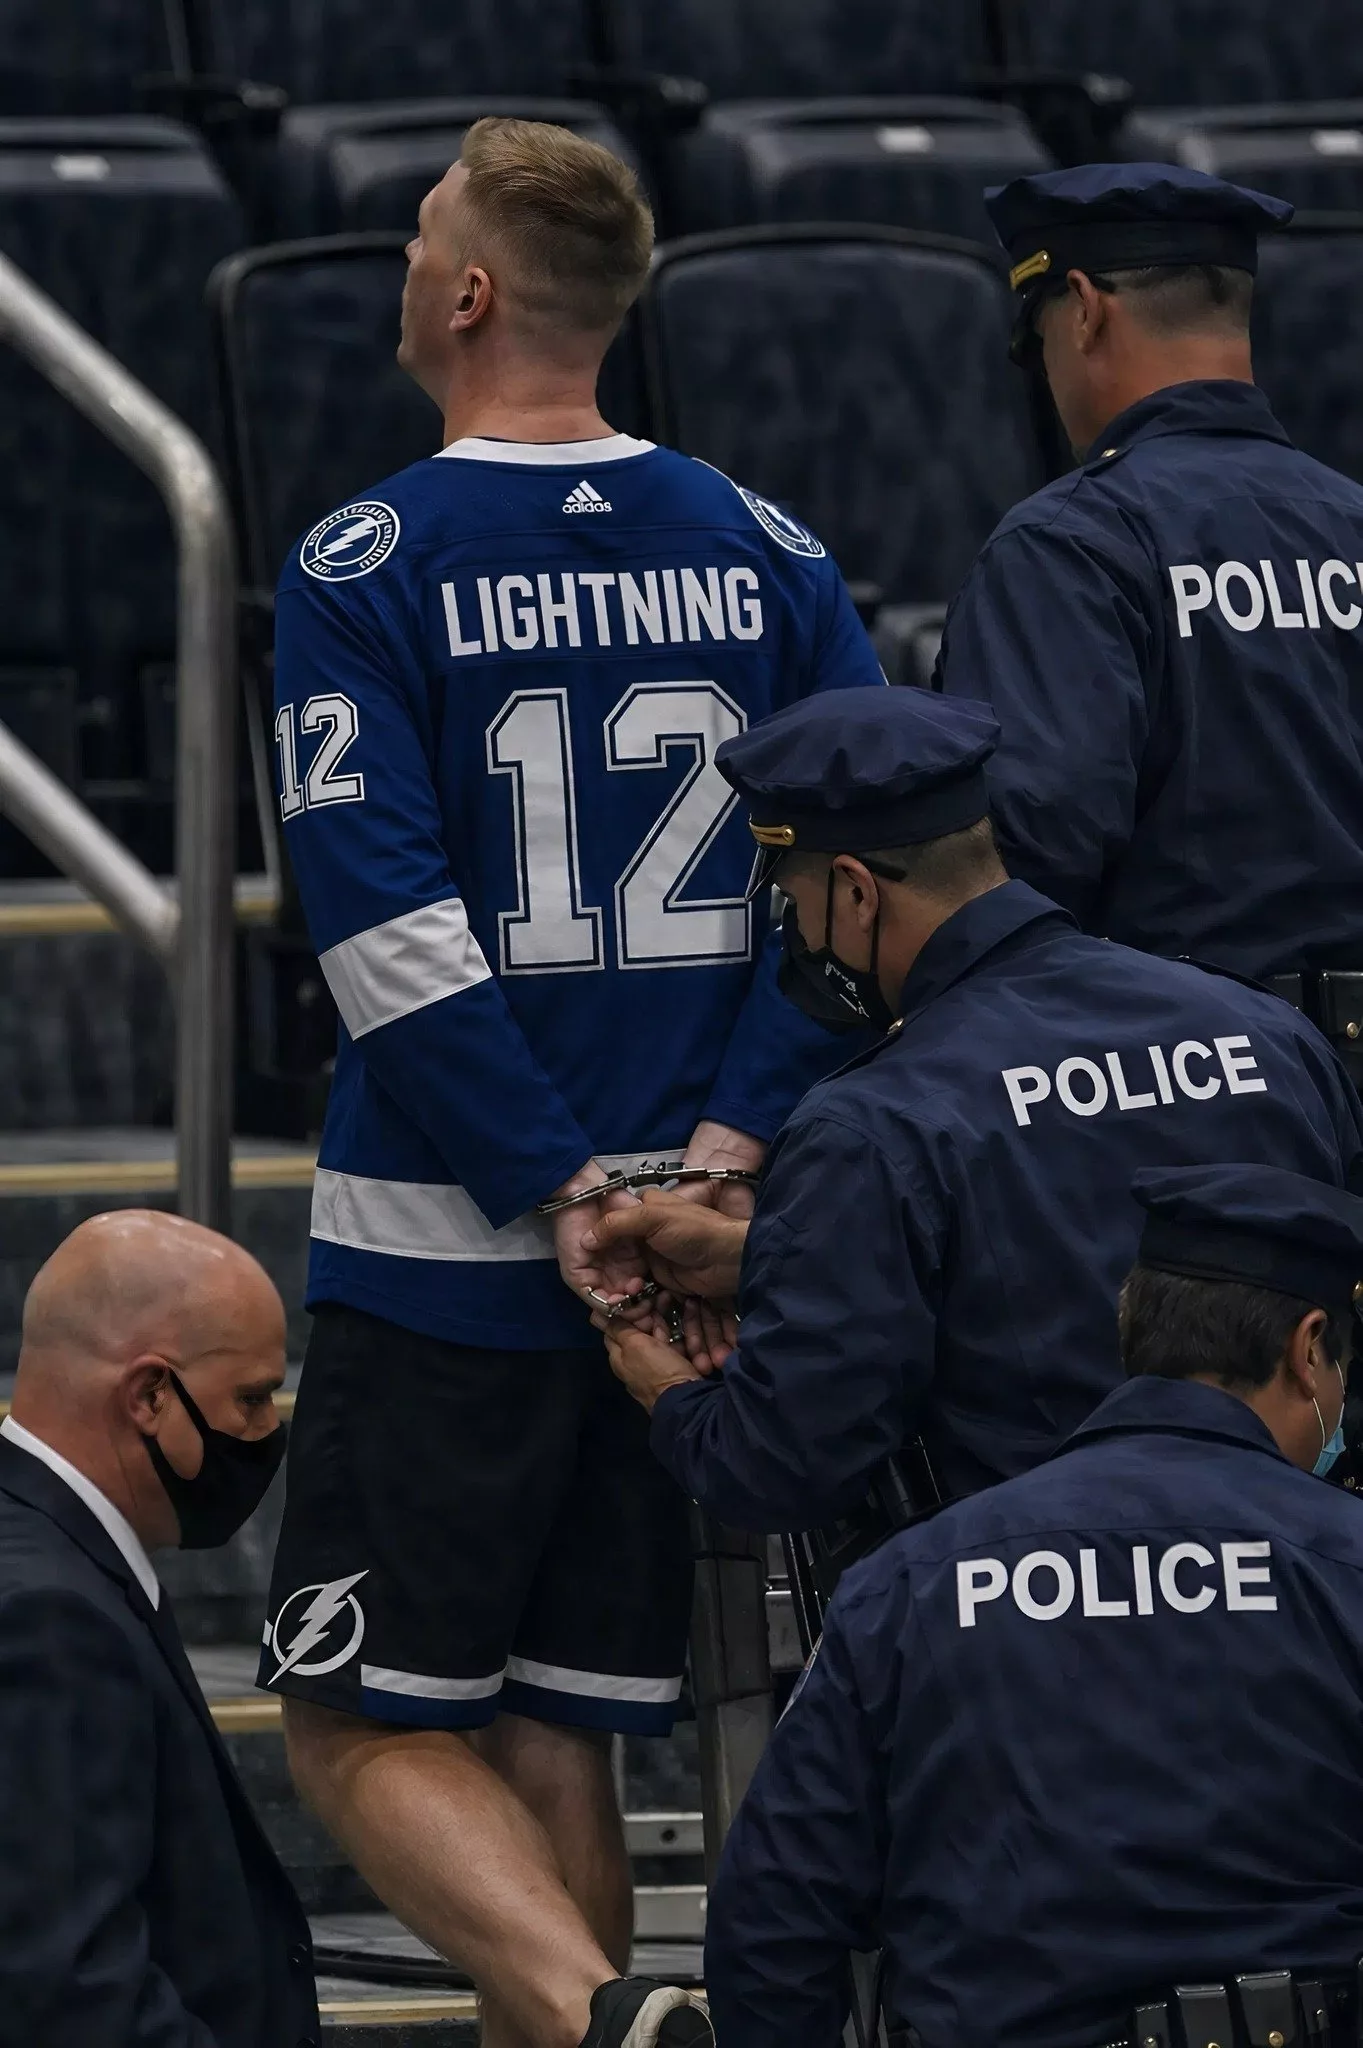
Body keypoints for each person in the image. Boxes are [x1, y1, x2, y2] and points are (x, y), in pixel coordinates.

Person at [264, 115, 885, 2048]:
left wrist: (559, 1185)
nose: (400, 271)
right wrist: (717, 1155)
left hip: (447, 1244)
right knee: (557, 1727)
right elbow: (857, 893)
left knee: (350, 1715)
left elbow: (382, 927)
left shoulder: (365, 559)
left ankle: (602, 2011)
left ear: (465, 295)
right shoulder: (769, 548)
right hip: (698, 1249)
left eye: (415, 241)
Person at [589, 686, 1363, 1532]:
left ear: (856, 892)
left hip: (1036, 1585)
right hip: (1307, 1565)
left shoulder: (874, 1123)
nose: (802, 943)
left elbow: (781, 1467)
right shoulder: (1266, 1033)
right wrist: (770, 1255)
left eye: (799, 911)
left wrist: (668, 1391)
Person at [704, 1162, 1363, 2048]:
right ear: (1306, 1348)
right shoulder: (1342, 1563)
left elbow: (771, 1920)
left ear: (1131, 1325)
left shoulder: (910, 1584)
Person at [933, 162, 1363, 1027]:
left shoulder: (1068, 545)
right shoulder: (1349, 517)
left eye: (1037, 341)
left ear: (1083, 308)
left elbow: (1029, 859)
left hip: (1192, 1068)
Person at [0, 1209, 313, 2048]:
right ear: (148, 1396)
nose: (266, 1432)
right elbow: (68, 1992)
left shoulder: (49, 1558)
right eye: (250, 1399)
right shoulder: (49, 1619)